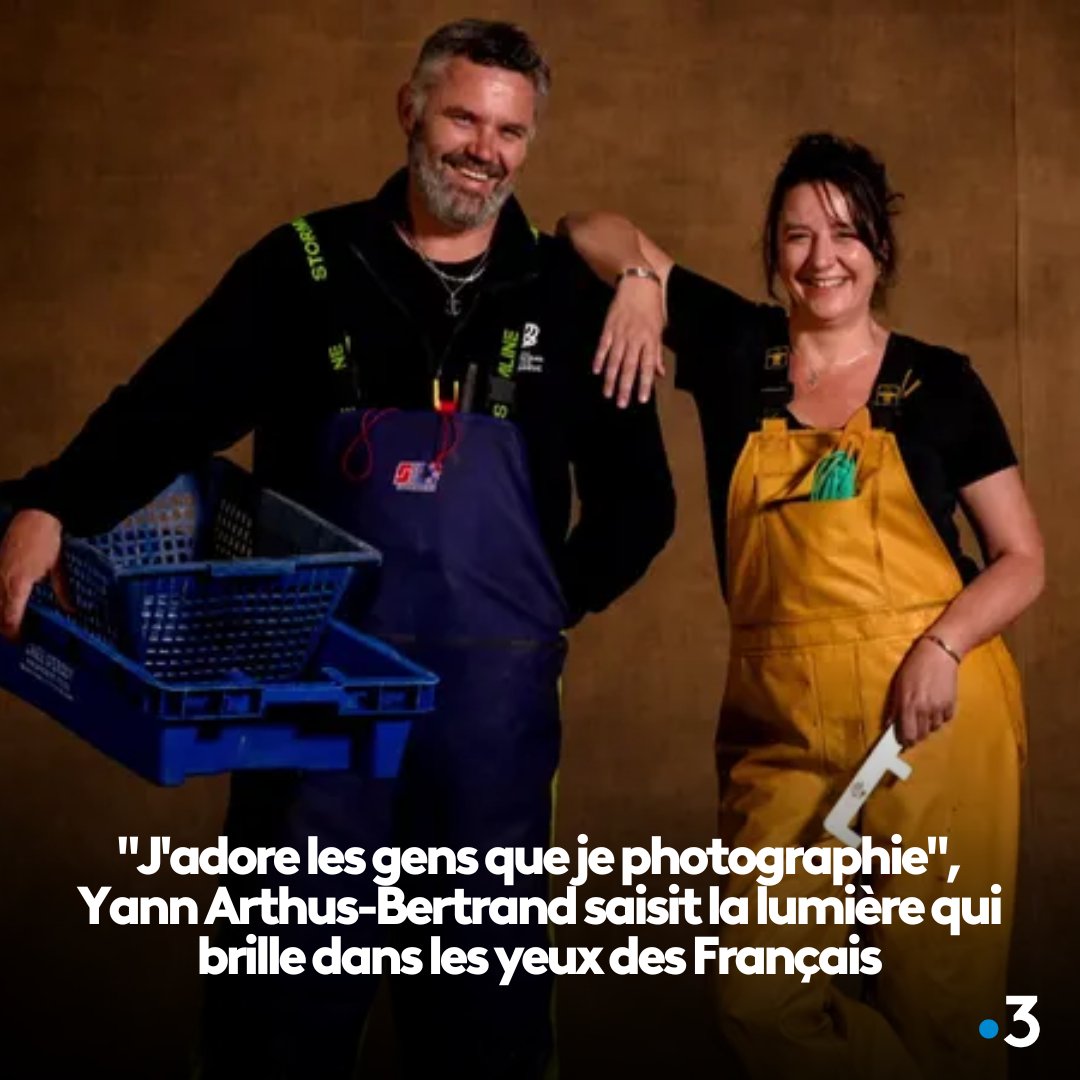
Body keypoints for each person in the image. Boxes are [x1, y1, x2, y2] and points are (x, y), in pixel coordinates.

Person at [0, 20, 675, 1079]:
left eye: (509, 130)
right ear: (410, 108)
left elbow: (643, 509)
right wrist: (50, 503)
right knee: (279, 1017)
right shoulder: (305, 266)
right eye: (463, 117)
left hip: (487, 733)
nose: (482, 150)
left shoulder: (577, 298)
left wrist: (541, 611)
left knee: (483, 1029)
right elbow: (165, 411)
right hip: (309, 707)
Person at [561, 132, 1043, 1080]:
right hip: (778, 729)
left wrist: (943, 646)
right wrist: (639, 285)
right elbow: (587, 228)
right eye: (796, 236)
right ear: (772, 251)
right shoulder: (740, 352)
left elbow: (1022, 560)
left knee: (945, 1015)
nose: (822, 259)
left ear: (881, 250)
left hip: (935, 724)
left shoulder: (940, 383)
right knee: (760, 1004)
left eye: (847, 234)